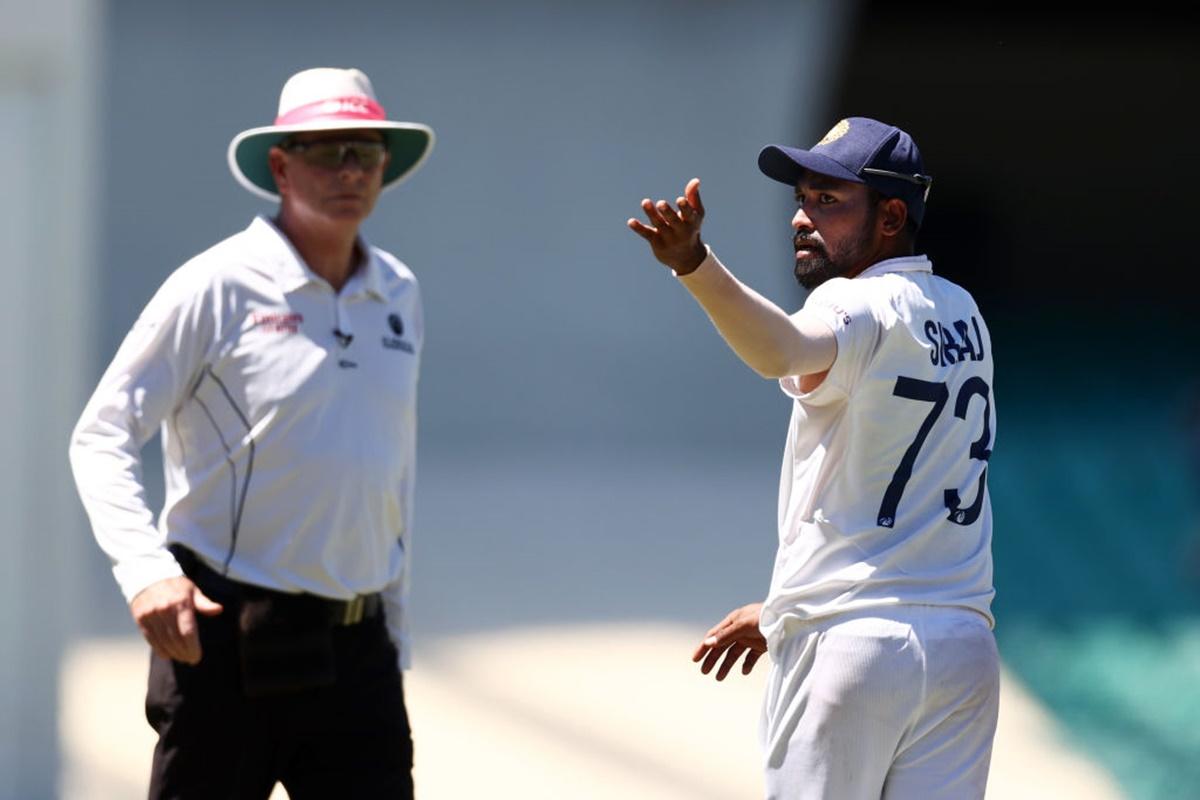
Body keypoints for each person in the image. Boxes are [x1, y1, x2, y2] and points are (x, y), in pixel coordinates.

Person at [69, 67, 434, 799]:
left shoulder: (398, 290)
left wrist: (392, 624)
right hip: (224, 640)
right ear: (280, 165)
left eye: (365, 151)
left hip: (358, 652)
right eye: (327, 151)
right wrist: (146, 572)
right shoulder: (217, 284)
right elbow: (103, 431)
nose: (350, 170)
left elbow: (386, 465)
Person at [628, 117, 999, 799]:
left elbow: (783, 350)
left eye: (829, 201)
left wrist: (694, 265)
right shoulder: (964, 313)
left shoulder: (855, 302)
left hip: (855, 649)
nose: (802, 218)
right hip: (963, 648)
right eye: (802, 198)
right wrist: (783, 608)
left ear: (892, 216)